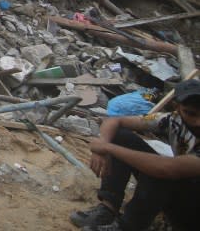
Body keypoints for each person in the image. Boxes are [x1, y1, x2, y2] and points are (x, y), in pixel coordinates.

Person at [70, 78, 200, 231]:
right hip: (182, 194)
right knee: (121, 137)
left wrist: (107, 148)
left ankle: (127, 227)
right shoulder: (172, 120)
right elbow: (116, 121)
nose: (198, 122)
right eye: (191, 113)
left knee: (160, 171)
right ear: (176, 107)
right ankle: (108, 208)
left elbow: (167, 168)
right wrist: (103, 144)